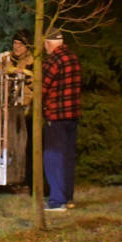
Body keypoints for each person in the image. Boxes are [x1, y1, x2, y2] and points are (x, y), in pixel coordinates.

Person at [42, 29, 81, 212]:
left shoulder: (54, 61)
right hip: (72, 115)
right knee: (67, 157)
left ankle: (57, 200)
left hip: (56, 116)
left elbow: (42, 85)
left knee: (53, 157)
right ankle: (69, 198)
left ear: (49, 43)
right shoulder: (73, 58)